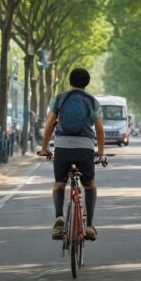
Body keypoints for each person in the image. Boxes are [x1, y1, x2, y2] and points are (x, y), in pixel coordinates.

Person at [37, 68, 106, 241]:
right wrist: (100, 152)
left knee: (59, 183)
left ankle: (59, 216)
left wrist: (44, 148)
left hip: (62, 146)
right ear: (87, 83)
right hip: (85, 148)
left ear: (70, 81)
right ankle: (89, 225)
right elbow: (99, 129)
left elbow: (49, 123)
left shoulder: (60, 98)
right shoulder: (93, 101)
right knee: (89, 184)